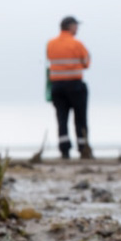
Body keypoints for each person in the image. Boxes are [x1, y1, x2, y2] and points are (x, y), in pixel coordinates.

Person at [46, 15, 93, 159]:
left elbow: (49, 59)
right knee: (80, 118)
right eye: (76, 26)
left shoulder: (51, 44)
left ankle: (64, 150)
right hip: (75, 85)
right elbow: (86, 63)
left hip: (57, 86)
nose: (77, 28)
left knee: (61, 118)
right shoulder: (76, 44)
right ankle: (83, 148)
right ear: (70, 26)